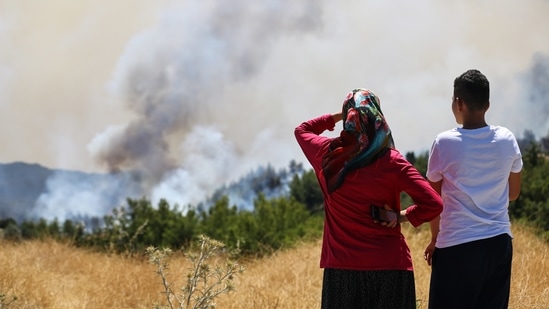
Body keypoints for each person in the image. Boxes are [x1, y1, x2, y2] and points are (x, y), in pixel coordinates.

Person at [294, 88, 443, 309]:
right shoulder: (392, 161)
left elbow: (302, 130)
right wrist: (400, 216)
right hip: (390, 267)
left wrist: (341, 115)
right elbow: (434, 204)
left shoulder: (327, 154)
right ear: (377, 116)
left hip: (341, 270)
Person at [424, 69, 523, 309]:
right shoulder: (507, 139)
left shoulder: (444, 143)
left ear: (458, 103)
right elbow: (513, 193)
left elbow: (432, 201)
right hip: (498, 244)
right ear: (487, 104)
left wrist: (435, 239)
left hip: (456, 247)